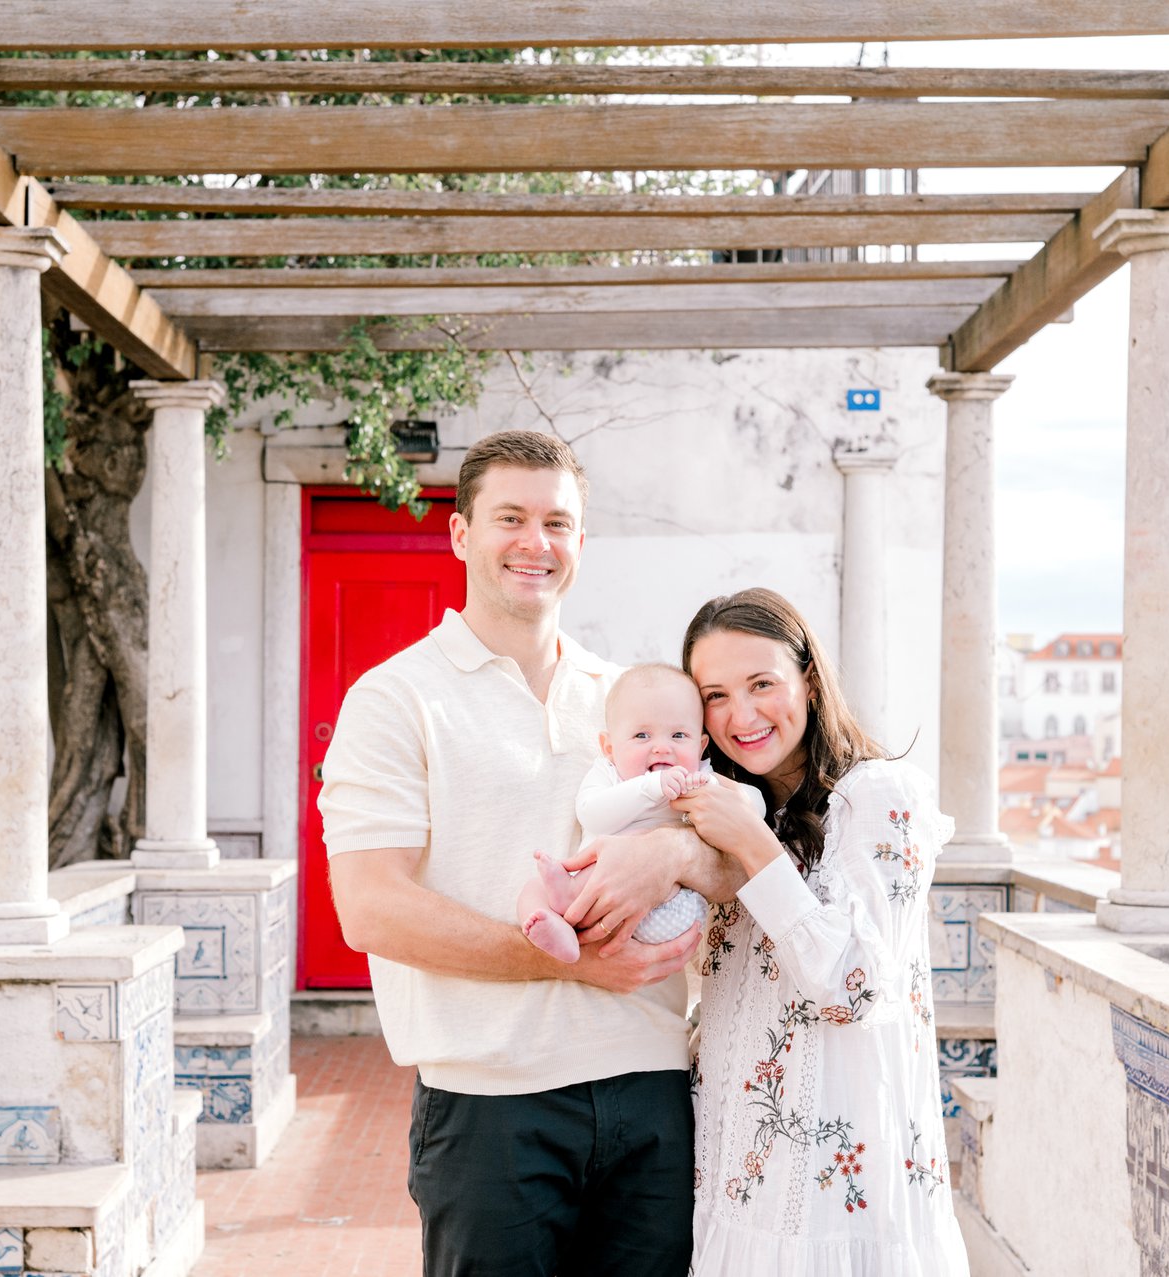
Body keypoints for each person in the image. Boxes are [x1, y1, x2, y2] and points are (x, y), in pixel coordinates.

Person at [318, 431, 742, 1277]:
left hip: (652, 1086)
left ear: (581, 540)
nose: (534, 542)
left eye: (557, 522)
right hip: (489, 1104)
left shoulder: (637, 699)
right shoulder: (395, 696)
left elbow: (738, 854)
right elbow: (370, 907)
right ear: (460, 533)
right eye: (510, 517)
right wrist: (563, 960)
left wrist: (672, 857)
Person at [672, 588, 971, 1275]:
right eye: (715, 695)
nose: (741, 715)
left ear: (808, 678)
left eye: (761, 684)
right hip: (733, 1183)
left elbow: (854, 988)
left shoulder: (879, 797)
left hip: (836, 1209)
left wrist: (754, 847)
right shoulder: (736, 809)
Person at [518, 663, 767, 964]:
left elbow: (754, 805)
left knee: (634, 843)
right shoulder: (607, 773)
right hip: (594, 901)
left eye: (678, 735)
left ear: (701, 746)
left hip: (670, 905)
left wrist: (723, 794)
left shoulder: (700, 778)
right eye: (641, 736)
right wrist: (651, 787)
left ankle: (568, 897)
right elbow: (592, 815)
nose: (661, 748)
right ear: (609, 747)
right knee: (533, 889)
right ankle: (559, 932)